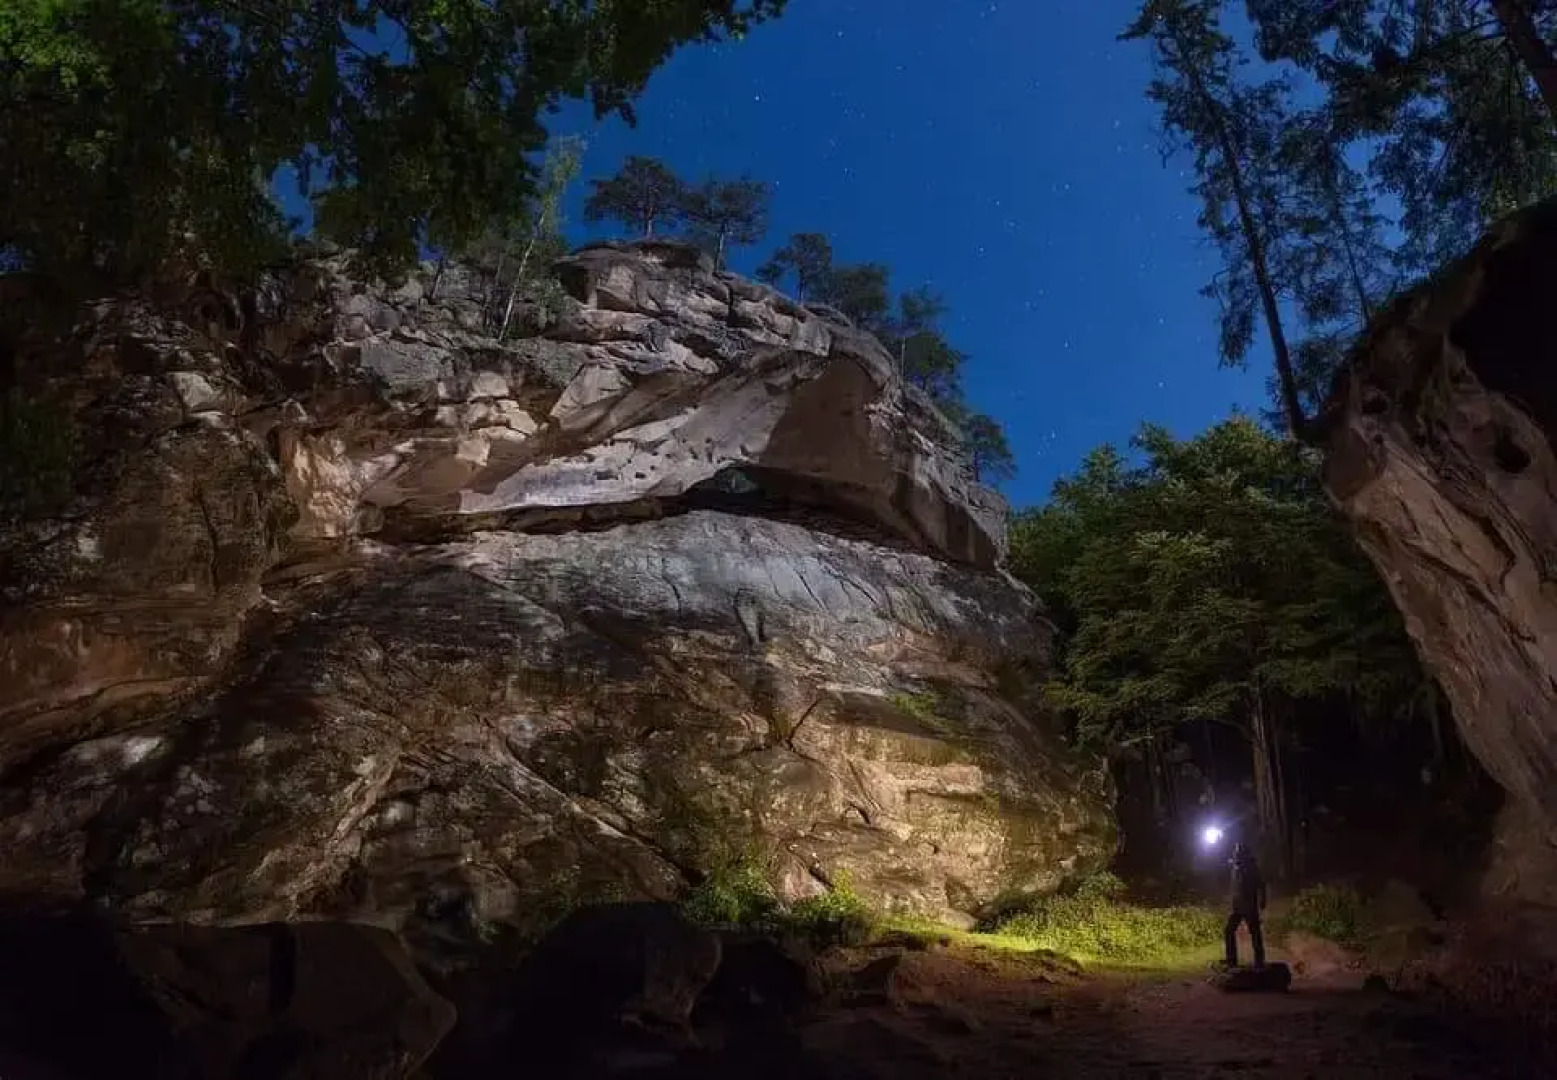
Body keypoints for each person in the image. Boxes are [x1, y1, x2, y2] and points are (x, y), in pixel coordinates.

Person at [1223, 842, 1267, 968]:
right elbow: (1235, 887)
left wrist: (1263, 900)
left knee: (1255, 933)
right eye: (1236, 852)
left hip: (1249, 906)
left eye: (1238, 852)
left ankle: (1259, 961)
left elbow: (1261, 885)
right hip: (1237, 906)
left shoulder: (1251, 868)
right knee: (1228, 931)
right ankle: (1231, 960)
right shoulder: (1236, 867)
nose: (1236, 854)